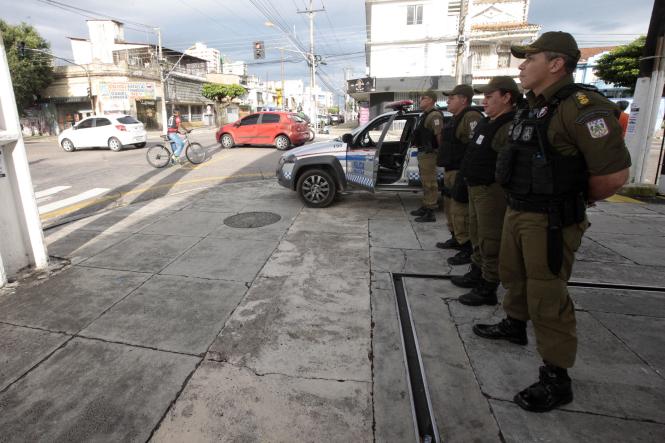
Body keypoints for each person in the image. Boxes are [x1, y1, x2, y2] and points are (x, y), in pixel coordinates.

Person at [472, 32, 631, 413]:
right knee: (515, 275)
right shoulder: (534, 107)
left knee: (547, 295)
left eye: (530, 58)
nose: (522, 66)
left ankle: (556, 377)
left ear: (556, 63)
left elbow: (614, 176)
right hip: (519, 209)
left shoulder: (582, 107)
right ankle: (514, 325)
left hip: (551, 219)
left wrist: (571, 198)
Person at [453, 76, 522, 306]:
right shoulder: (488, 121)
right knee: (476, 233)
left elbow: (508, 165)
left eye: (490, 97)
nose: (485, 102)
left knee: (490, 239)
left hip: (491, 191)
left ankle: (488, 286)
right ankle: (477, 271)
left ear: (507, 97)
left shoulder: (509, 125)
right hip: (475, 187)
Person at [437, 84, 483, 264]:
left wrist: (466, 172)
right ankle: (456, 238)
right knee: (450, 209)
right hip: (451, 169)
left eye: (452, 97)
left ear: (463, 99)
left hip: (460, 170)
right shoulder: (456, 117)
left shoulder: (471, 116)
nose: (448, 101)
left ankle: (466, 247)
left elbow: (475, 147)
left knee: (460, 211)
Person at [410, 90, 444, 222]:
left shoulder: (434, 115)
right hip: (423, 152)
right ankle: (425, 206)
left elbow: (439, 134)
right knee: (425, 182)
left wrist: (440, 152)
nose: (420, 100)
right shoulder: (425, 115)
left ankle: (430, 212)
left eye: (423, 98)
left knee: (430, 183)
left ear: (431, 100)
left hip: (429, 154)